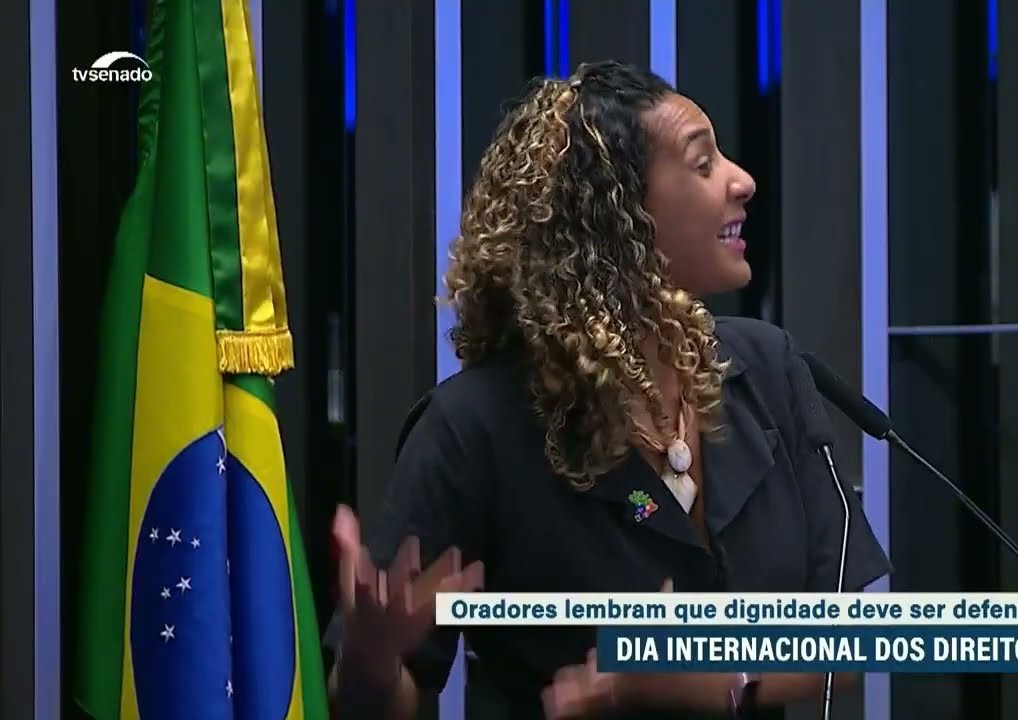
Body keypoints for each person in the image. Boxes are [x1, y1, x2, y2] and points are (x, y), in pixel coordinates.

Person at [327, 59, 890, 719]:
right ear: (617, 216)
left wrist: (703, 681)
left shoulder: (766, 368)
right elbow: (379, 698)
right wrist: (369, 662)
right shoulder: (474, 427)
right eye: (702, 163)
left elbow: (846, 644)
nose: (743, 180)